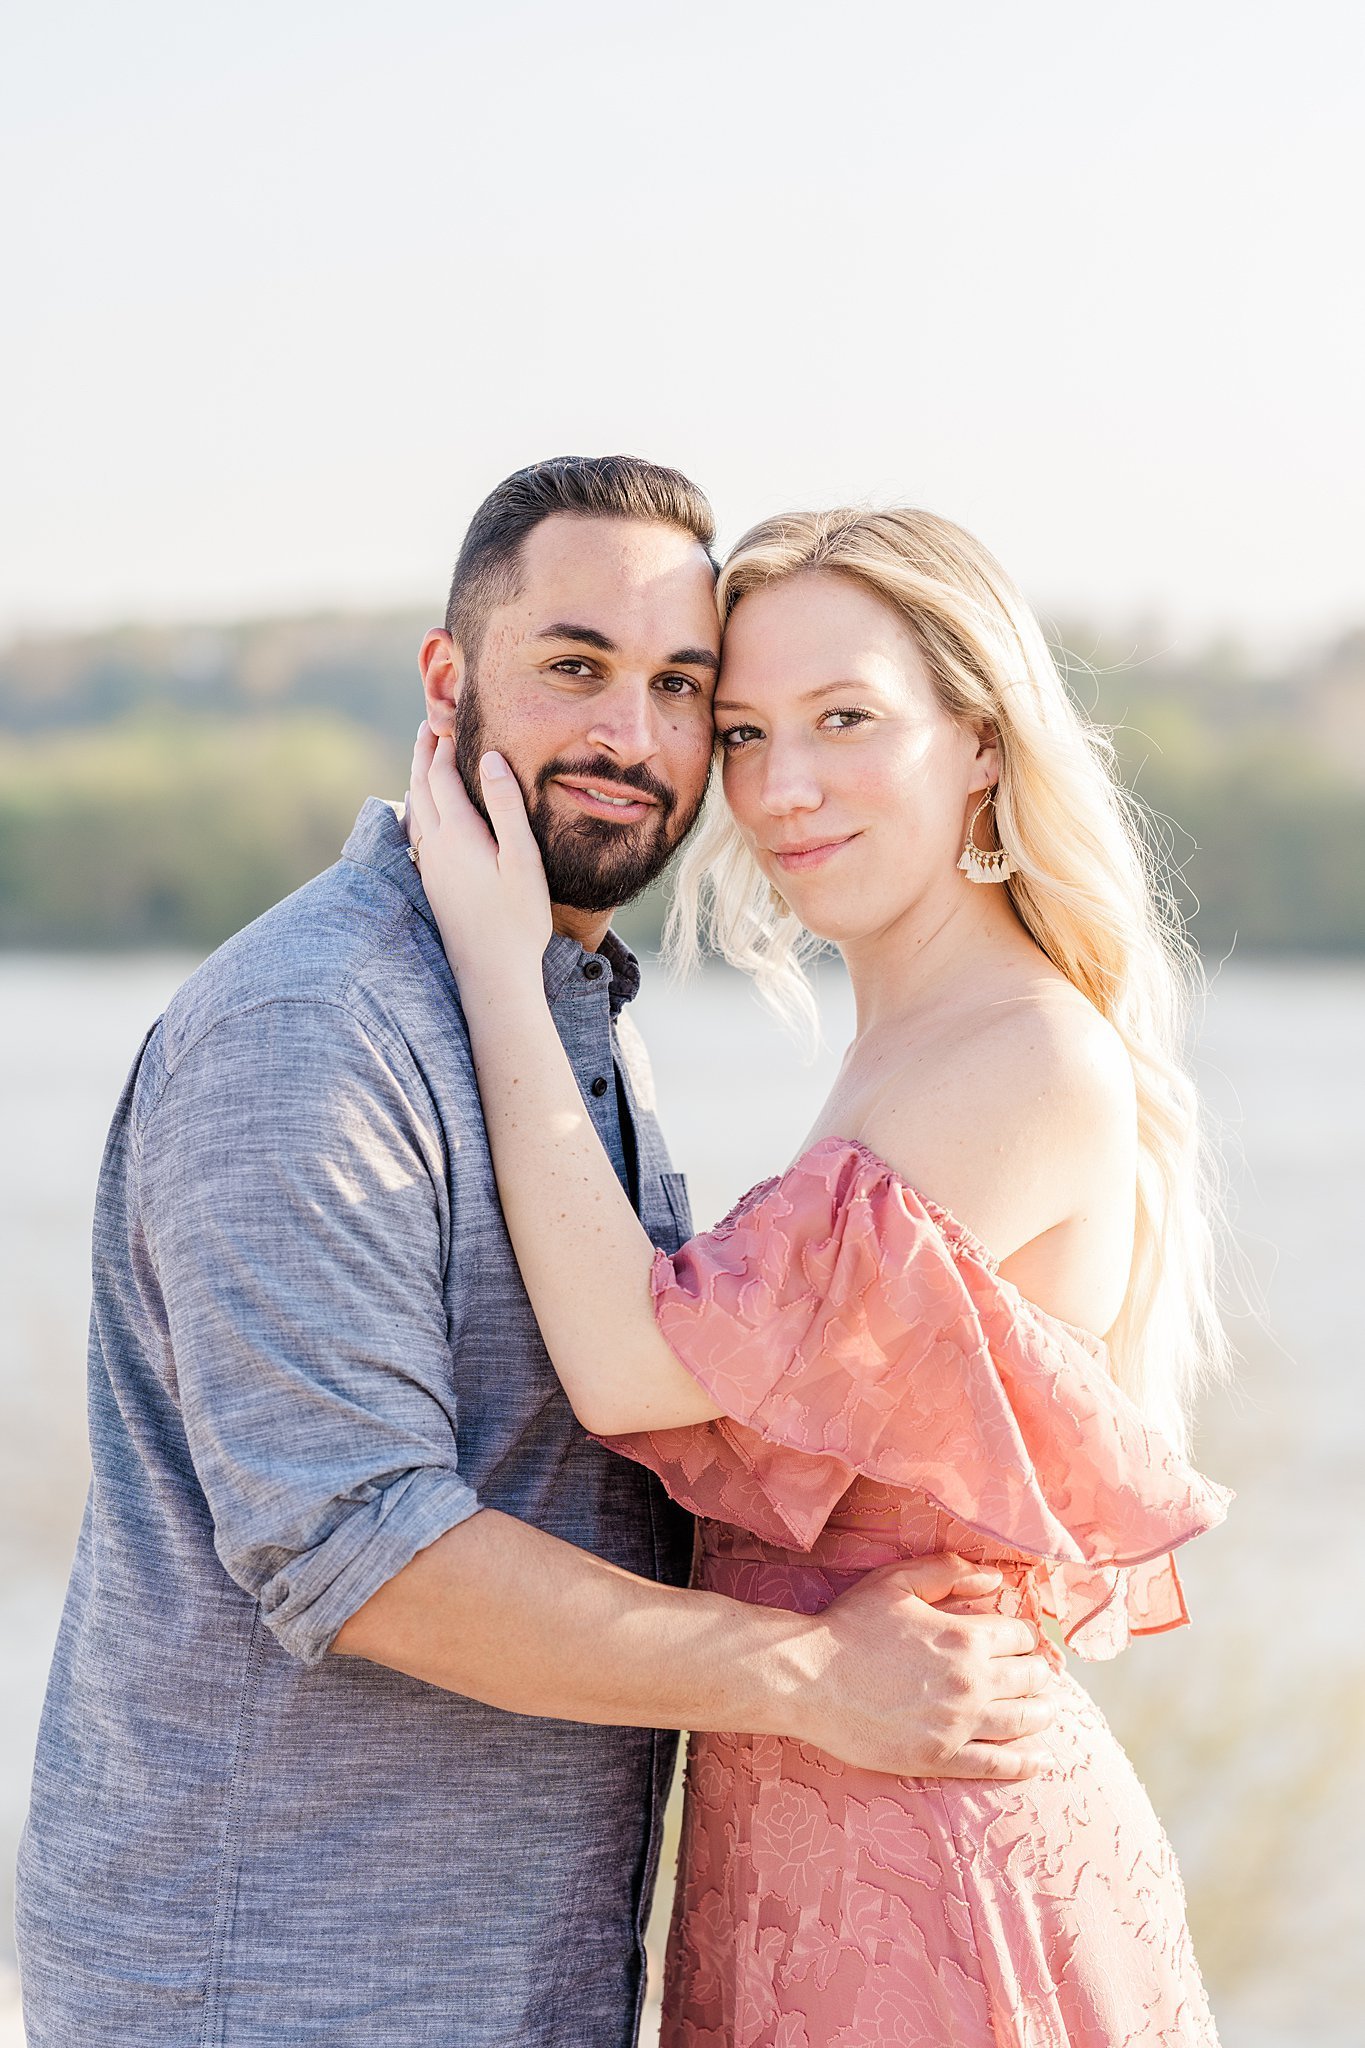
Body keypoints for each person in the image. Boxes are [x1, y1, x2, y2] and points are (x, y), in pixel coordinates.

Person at [16, 461, 1057, 2048]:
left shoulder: (562, 1015)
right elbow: (357, 1545)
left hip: (509, 1976)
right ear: (450, 679)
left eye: (681, 687)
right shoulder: (321, 1029)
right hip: (291, 1984)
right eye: (574, 667)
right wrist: (815, 1676)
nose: (631, 739)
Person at [404, 502, 1234, 2047]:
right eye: (740, 732)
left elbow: (633, 1367)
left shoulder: (1019, 1053)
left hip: (930, 1871)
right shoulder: (900, 1048)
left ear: (976, 740)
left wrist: (497, 968)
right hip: (807, 1839)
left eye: (844, 719)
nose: (779, 789)